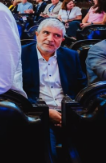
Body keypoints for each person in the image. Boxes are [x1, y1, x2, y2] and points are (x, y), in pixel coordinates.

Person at [21, 18, 87, 161]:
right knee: (47, 152)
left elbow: (82, 88)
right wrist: (46, 112)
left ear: (63, 39)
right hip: (37, 113)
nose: (51, 39)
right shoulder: (21, 55)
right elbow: (16, 93)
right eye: (46, 33)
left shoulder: (71, 56)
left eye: (57, 35)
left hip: (68, 112)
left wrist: (70, 112)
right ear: (37, 35)